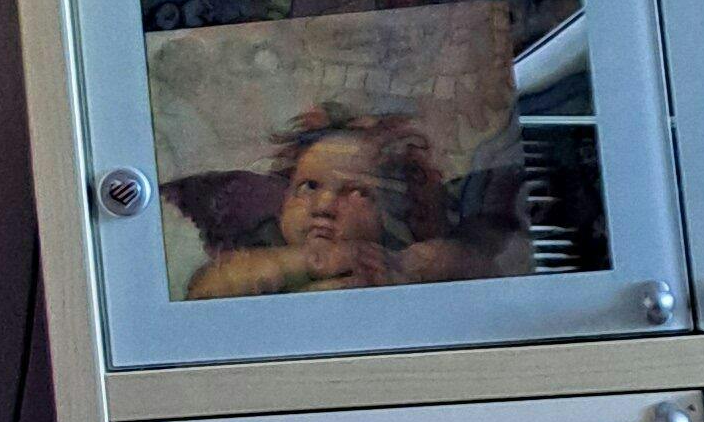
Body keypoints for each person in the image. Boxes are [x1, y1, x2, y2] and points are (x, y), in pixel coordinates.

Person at [187, 105, 498, 295]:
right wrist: (306, 262)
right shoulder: (263, 247)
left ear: (401, 212)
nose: (323, 207)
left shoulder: (392, 255)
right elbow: (205, 288)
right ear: (283, 202)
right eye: (309, 186)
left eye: (357, 192)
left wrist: (405, 267)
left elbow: (478, 265)